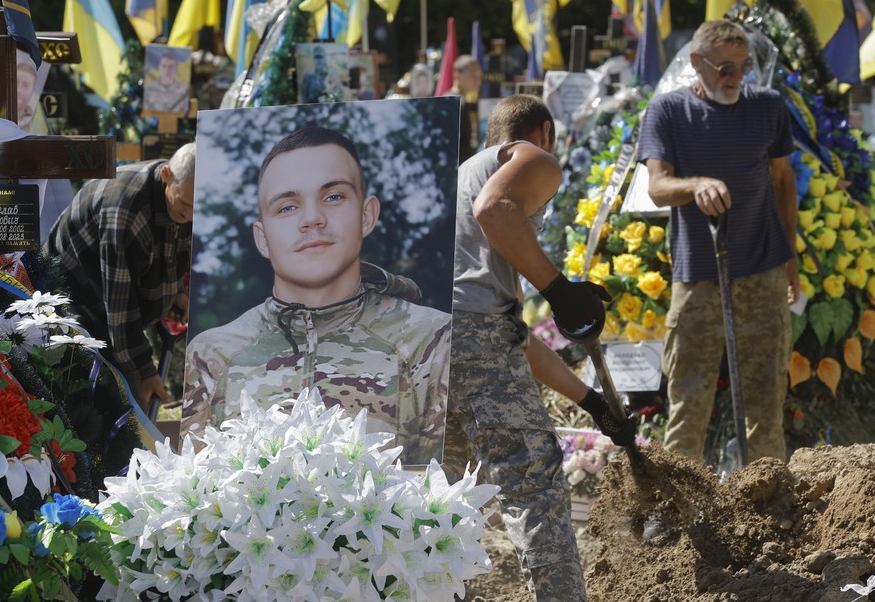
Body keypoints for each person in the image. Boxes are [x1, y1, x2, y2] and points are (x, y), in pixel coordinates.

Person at [180, 127, 452, 464]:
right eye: (287, 207)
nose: (312, 219)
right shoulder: (213, 354)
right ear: (262, 238)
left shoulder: (432, 342)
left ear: (366, 215)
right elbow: (195, 487)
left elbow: (443, 487)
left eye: (333, 197)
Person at [449, 94, 630, 601]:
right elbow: (496, 208)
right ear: (545, 133)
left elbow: (508, 338)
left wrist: (592, 402)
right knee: (535, 488)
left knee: (444, 496)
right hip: (473, 337)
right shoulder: (533, 156)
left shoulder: (460, 179)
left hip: (425, 342)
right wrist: (559, 290)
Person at [638, 20, 798, 465]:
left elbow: (783, 181)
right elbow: (657, 187)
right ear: (696, 62)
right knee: (688, 400)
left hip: (763, 269)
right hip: (698, 275)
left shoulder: (767, 107)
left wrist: (790, 258)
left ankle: (767, 491)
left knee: (766, 400)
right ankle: (680, 497)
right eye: (726, 67)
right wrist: (697, 186)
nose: (736, 77)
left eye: (744, 67)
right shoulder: (668, 111)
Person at [46, 143, 195, 411]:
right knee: (119, 399)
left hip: (111, 293)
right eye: (184, 204)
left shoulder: (184, 192)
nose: (190, 215)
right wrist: (144, 372)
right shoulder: (126, 211)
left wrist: (175, 294)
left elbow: (171, 250)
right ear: (166, 176)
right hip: (75, 293)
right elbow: (120, 306)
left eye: (197, 207)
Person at [448, 55, 483, 164]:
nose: (478, 82)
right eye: (473, 76)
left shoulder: (464, 102)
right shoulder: (453, 102)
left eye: (479, 77)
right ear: (457, 76)